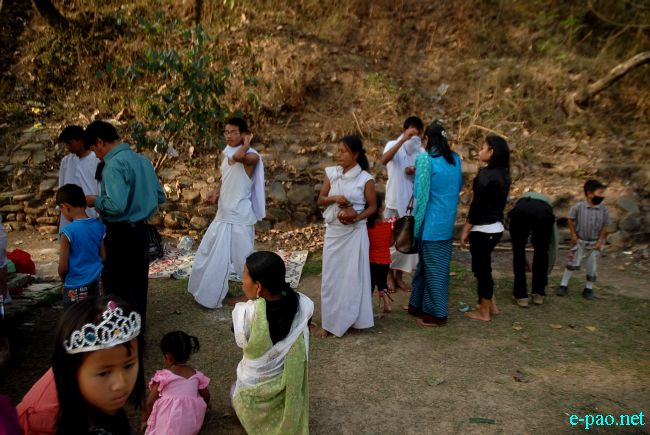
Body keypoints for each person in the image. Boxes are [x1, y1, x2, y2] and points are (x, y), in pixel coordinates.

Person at [84, 120, 166, 325]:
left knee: (117, 286)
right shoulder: (143, 161)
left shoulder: (113, 165)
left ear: (100, 142)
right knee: (138, 284)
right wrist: (140, 204)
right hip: (141, 231)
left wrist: (95, 201)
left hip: (119, 234)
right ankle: (137, 329)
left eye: (94, 150)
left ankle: (119, 333)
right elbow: (160, 196)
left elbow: (116, 205)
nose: (96, 156)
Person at [232, 251, 313, 435]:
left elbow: (241, 339)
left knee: (236, 392)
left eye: (244, 276)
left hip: (254, 386)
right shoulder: (303, 304)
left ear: (258, 287)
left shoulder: (246, 315)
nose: (242, 282)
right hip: (285, 387)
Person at [188, 117, 265, 309]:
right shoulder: (225, 154)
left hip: (240, 217)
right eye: (226, 132)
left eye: (233, 132)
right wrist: (215, 191)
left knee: (244, 260)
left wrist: (246, 144)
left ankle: (254, 295)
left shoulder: (252, 157)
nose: (228, 136)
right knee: (209, 253)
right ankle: (206, 293)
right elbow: (226, 178)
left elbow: (238, 158)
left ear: (244, 134)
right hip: (223, 214)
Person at [52, 295, 144, 434]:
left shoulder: (108, 410)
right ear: (70, 372)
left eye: (128, 366)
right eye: (104, 373)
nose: (121, 383)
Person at [317, 135, 377, 338]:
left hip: (354, 233)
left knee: (352, 278)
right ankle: (329, 323)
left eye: (343, 151)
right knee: (331, 278)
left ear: (355, 154)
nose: (339, 155)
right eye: (338, 151)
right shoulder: (332, 173)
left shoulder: (365, 179)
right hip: (334, 232)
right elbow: (321, 200)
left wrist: (356, 217)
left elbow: (373, 207)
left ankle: (352, 320)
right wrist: (335, 198)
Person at [406, 122, 462, 327]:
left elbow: (419, 194)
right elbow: (458, 185)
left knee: (434, 271)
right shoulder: (455, 158)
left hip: (430, 224)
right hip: (446, 221)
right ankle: (417, 305)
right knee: (428, 266)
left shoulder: (425, 160)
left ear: (428, 139)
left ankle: (435, 315)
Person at [461, 135, 511, 322]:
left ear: (491, 152)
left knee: (482, 271)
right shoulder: (504, 174)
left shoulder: (485, 175)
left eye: (483, 148)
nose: (479, 151)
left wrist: (466, 229)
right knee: (484, 268)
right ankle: (491, 306)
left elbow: (477, 206)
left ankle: (483, 312)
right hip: (496, 228)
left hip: (483, 229)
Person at [381, 116, 424, 292]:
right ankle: (388, 275)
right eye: (411, 133)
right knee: (390, 240)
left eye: (417, 134)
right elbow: (384, 160)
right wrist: (403, 140)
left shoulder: (420, 151)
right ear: (404, 130)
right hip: (393, 201)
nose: (413, 137)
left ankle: (399, 276)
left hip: (411, 204)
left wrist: (415, 170)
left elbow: (426, 173)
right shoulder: (393, 145)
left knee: (406, 242)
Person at [142, 331, 210, 435]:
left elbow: (149, 402)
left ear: (168, 358)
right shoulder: (197, 376)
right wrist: (203, 407)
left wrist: (144, 421)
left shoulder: (163, 377)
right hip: (191, 425)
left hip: (168, 424)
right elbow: (206, 396)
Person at [557, 180, 610, 300]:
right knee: (572, 262)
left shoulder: (604, 210)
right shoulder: (578, 207)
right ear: (590, 193)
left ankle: (588, 288)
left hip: (595, 242)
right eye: (600, 193)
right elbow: (570, 219)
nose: (602, 196)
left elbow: (605, 226)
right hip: (579, 240)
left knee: (592, 265)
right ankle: (563, 285)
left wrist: (600, 241)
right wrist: (573, 235)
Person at [56, 184, 106, 309]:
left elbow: (63, 267)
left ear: (65, 207)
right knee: (95, 315)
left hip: (75, 286)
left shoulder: (67, 233)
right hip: (97, 283)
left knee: (75, 317)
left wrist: (64, 281)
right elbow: (103, 256)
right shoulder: (98, 226)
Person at [508, 192, 558, 307]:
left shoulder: (522, 202)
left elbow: (514, 236)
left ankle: (521, 296)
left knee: (519, 251)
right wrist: (550, 264)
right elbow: (554, 242)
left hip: (521, 212)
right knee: (542, 252)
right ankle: (538, 293)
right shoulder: (547, 206)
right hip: (544, 215)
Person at [57, 125, 101, 233]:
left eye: (70, 143)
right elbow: (61, 188)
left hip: (91, 215)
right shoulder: (66, 162)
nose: (67, 147)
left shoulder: (96, 160)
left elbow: (99, 187)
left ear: (80, 140)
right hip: (68, 215)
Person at [366, 192, 393, 313]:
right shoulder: (389, 225)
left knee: (370, 283)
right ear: (381, 208)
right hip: (385, 260)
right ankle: (387, 304)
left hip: (370, 260)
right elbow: (390, 243)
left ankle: (367, 307)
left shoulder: (366, 227)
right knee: (382, 282)